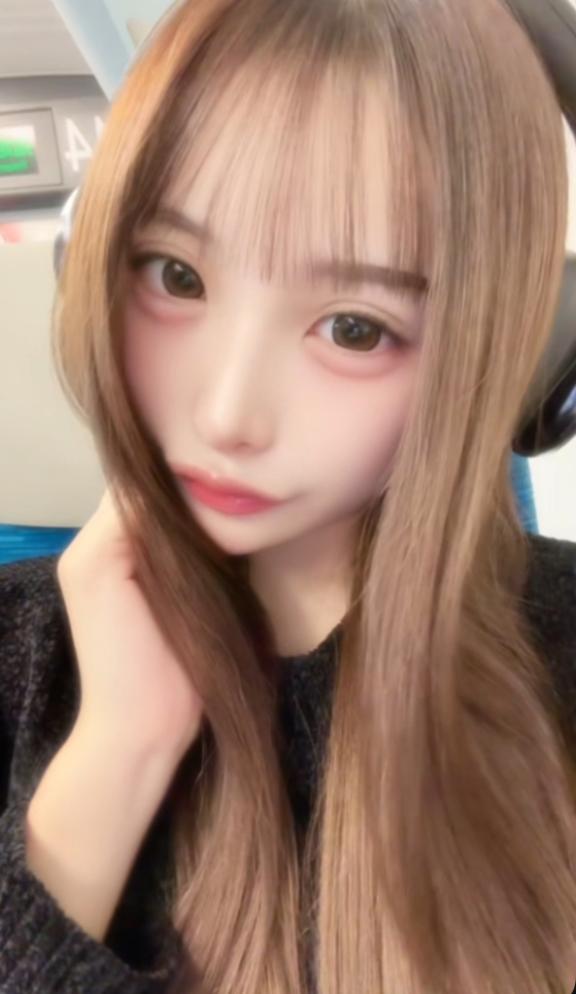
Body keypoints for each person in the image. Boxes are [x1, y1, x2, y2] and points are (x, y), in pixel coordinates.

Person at [1, 0, 576, 992]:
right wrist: (118, 751)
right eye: (176, 275)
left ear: (508, 360)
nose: (226, 414)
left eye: (355, 328)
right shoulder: (18, 653)